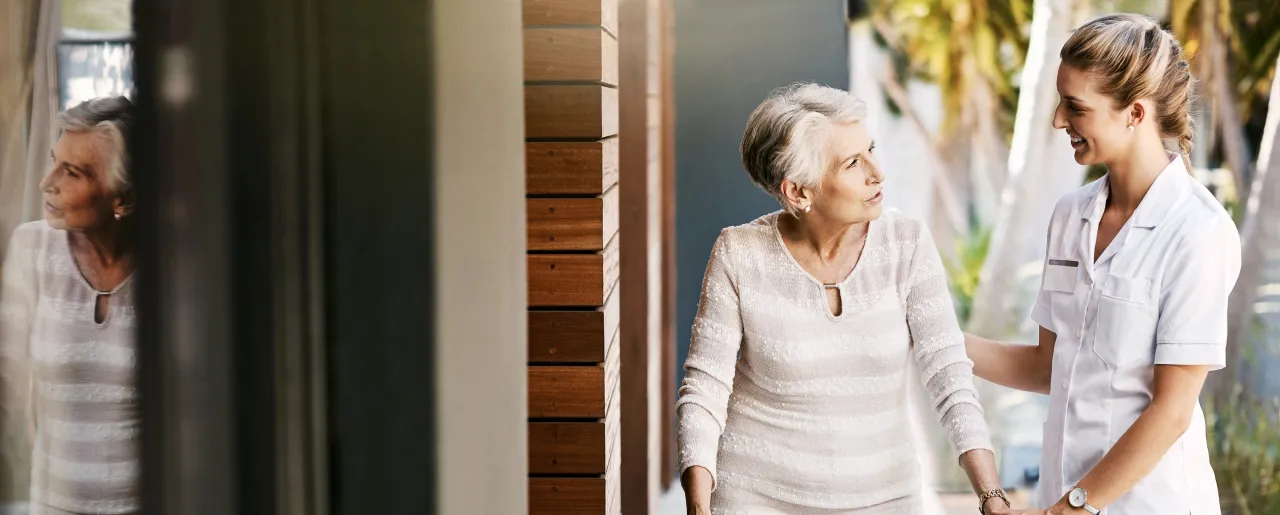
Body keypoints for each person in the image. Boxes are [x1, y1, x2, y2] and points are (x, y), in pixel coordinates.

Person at [676, 83, 1012, 515]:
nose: (877, 172)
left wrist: (991, 495)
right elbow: (705, 390)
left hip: (887, 498)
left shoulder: (905, 244)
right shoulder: (738, 253)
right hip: (755, 498)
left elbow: (948, 372)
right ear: (799, 191)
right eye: (854, 163)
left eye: (870, 149)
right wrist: (699, 508)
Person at [965, 14, 1238, 515]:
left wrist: (1068, 510)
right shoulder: (1071, 215)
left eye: (1076, 107)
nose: (1057, 121)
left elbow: (1171, 411)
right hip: (1063, 499)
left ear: (1135, 113)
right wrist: (933, 340)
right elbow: (1050, 366)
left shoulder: (1199, 231)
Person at [0, 97, 139, 515]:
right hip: (51, 505)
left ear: (124, 199)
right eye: (53, 161)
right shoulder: (32, 247)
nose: (47, 182)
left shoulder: (177, 265)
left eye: (72, 173)